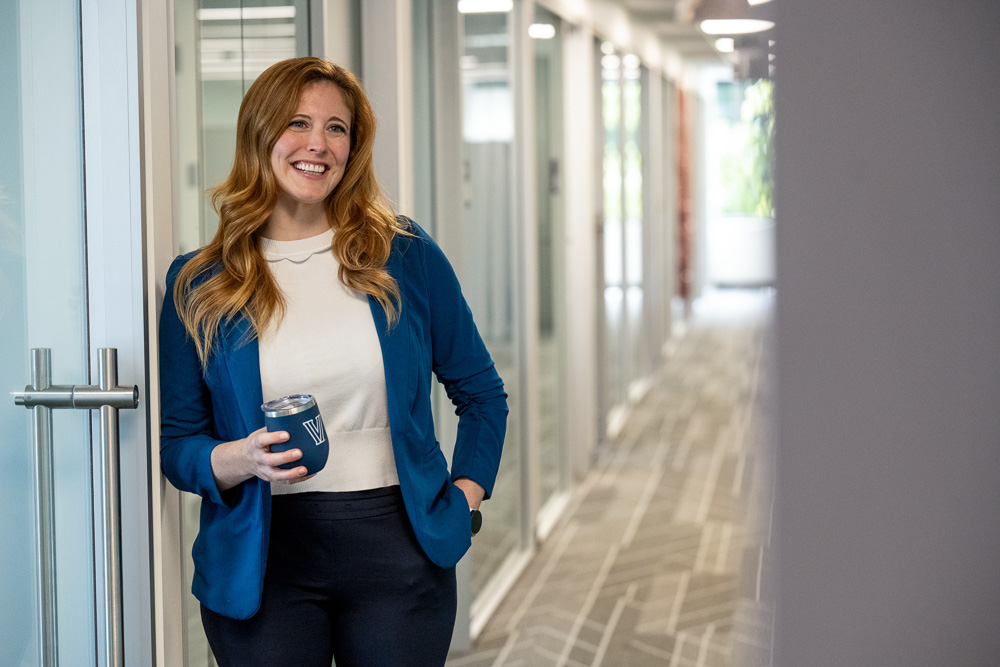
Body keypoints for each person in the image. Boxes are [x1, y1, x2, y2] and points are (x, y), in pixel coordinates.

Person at [159, 56, 507, 666]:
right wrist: (237, 458)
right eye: (297, 123)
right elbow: (179, 442)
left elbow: (480, 392)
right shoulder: (201, 282)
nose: (318, 144)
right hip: (263, 561)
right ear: (259, 135)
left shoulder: (404, 255)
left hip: (398, 551)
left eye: (337, 128)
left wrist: (467, 494)